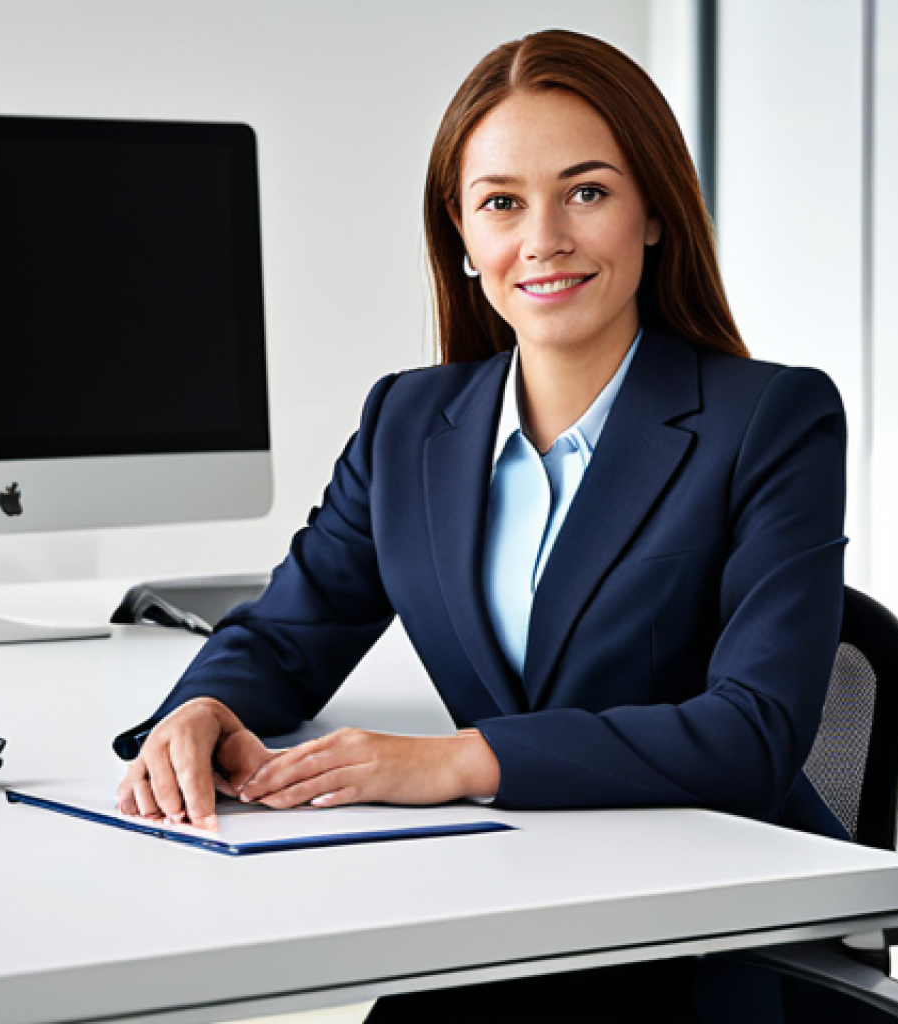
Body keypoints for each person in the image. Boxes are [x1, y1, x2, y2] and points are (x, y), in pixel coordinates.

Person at [115, 28, 847, 1022]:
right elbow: (286, 633)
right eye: (501, 202)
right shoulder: (407, 423)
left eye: (586, 192)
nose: (542, 239)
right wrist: (202, 710)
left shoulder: (772, 419)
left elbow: (754, 731)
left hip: (705, 945)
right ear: (461, 235)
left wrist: (459, 757)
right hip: (495, 917)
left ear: (654, 214)